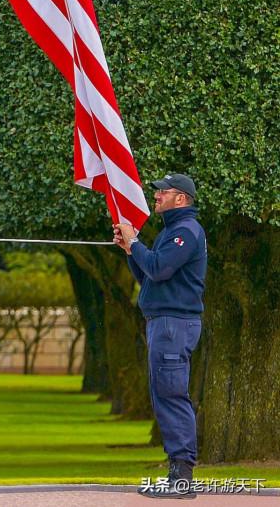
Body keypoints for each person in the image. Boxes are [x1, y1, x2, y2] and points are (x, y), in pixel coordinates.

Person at [114, 173, 207, 500]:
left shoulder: (185, 232)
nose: (156, 196)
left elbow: (159, 268)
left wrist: (136, 243)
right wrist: (130, 250)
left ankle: (181, 478)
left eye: (162, 192)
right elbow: (148, 275)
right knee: (164, 394)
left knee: (171, 394)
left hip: (173, 324)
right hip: (164, 322)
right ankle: (176, 473)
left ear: (180, 198)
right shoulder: (173, 232)